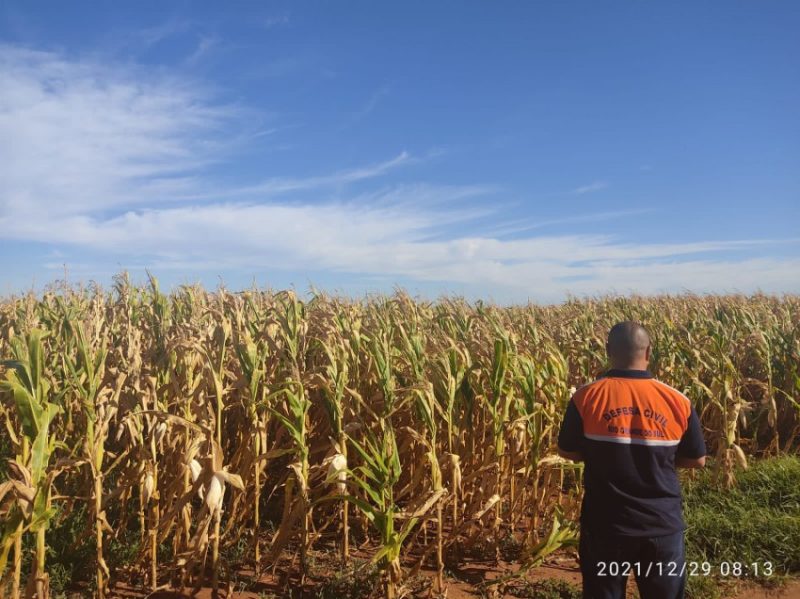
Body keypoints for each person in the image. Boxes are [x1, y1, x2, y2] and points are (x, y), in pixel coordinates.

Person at [557, 321, 706, 599]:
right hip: (662, 526)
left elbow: (567, 452)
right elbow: (697, 459)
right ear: (648, 352)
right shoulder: (678, 401)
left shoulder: (585, 397)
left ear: (607, 351)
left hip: (606, 527)